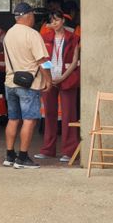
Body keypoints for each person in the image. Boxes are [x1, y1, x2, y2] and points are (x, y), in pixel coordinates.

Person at [2, 3, 52, 169]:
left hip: (10, 82)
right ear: (28, 16)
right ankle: (22, 157)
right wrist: (49, 80)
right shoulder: (32, 34)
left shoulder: (8, 34)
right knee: (29, 120)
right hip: (29, 85)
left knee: (13, 119)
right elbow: (43, 61)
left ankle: (10, 155)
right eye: (33, 15)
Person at [36, 10, 80, 163]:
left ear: (63, 20)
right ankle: (48, 149)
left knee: (69, 115)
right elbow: (42, 59)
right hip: (50, 78)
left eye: (56, 20)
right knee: (49, 113)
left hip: (67, 78)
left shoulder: (73, 37)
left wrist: (62, 77)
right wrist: (49, 76)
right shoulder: (45, 38)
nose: (54, 23)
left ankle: (69, 151)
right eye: (51, 20)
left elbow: (75, 61)